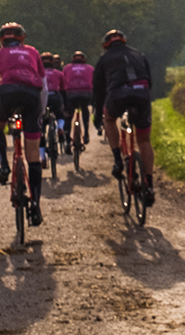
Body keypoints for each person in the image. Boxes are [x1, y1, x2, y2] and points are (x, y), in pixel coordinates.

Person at [0, 22, 47, 227]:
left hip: (7, 94)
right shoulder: (33, 51)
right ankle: (36, 205)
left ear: (2, 40)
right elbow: (44, 87)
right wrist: (41, 110)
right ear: (22, 38)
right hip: (31, 96)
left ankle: (4, 164)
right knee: (33, 156)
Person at [93, 29, 155, 206]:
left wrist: (98, 115)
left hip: (118, 95)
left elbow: (98, 91)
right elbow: (149, 80)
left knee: (110, 119)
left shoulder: (104, 59)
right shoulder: (139, 54)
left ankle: (118, 160)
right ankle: (149, 184)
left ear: (106, 45)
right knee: (144, 140)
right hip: (142, 94)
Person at [62, 50, 95, 147]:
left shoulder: (67, 68)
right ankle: (86, 133)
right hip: (86, 94)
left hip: (71, 94)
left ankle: (67, 139)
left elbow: (63, 82)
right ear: (84, 60)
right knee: (85, 109)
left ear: (73, 59)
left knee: (69, 114)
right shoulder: (90, 68)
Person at [41, 52, 68, 157]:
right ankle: (59, 128)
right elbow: (63, 91)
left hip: (43, 98)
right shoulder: (59, 73)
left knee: (41, 125)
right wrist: (65, 106)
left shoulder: (37, 73)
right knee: (60, 115)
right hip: (55, 97)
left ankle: (42, 157)